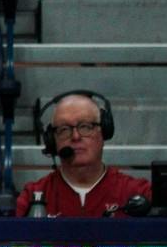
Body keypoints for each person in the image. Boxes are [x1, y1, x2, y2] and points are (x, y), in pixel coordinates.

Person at [11, 93, 150, 218]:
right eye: (64, 129)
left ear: (104, 133)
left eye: (85, 127)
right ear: (53, 141)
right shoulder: (33, 196)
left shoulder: (137, 193)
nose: (76, 137)